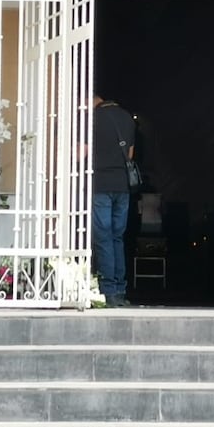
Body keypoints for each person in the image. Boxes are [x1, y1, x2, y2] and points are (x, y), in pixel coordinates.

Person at [92, 93, 137, 307]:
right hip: (122, 186)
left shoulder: (93, 119)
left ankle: (108, 290)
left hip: (101, 184)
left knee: (103, 237)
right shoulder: (127, 117)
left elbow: (82, 152)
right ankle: (120, 289)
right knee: (117, 237)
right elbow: (130, 154)